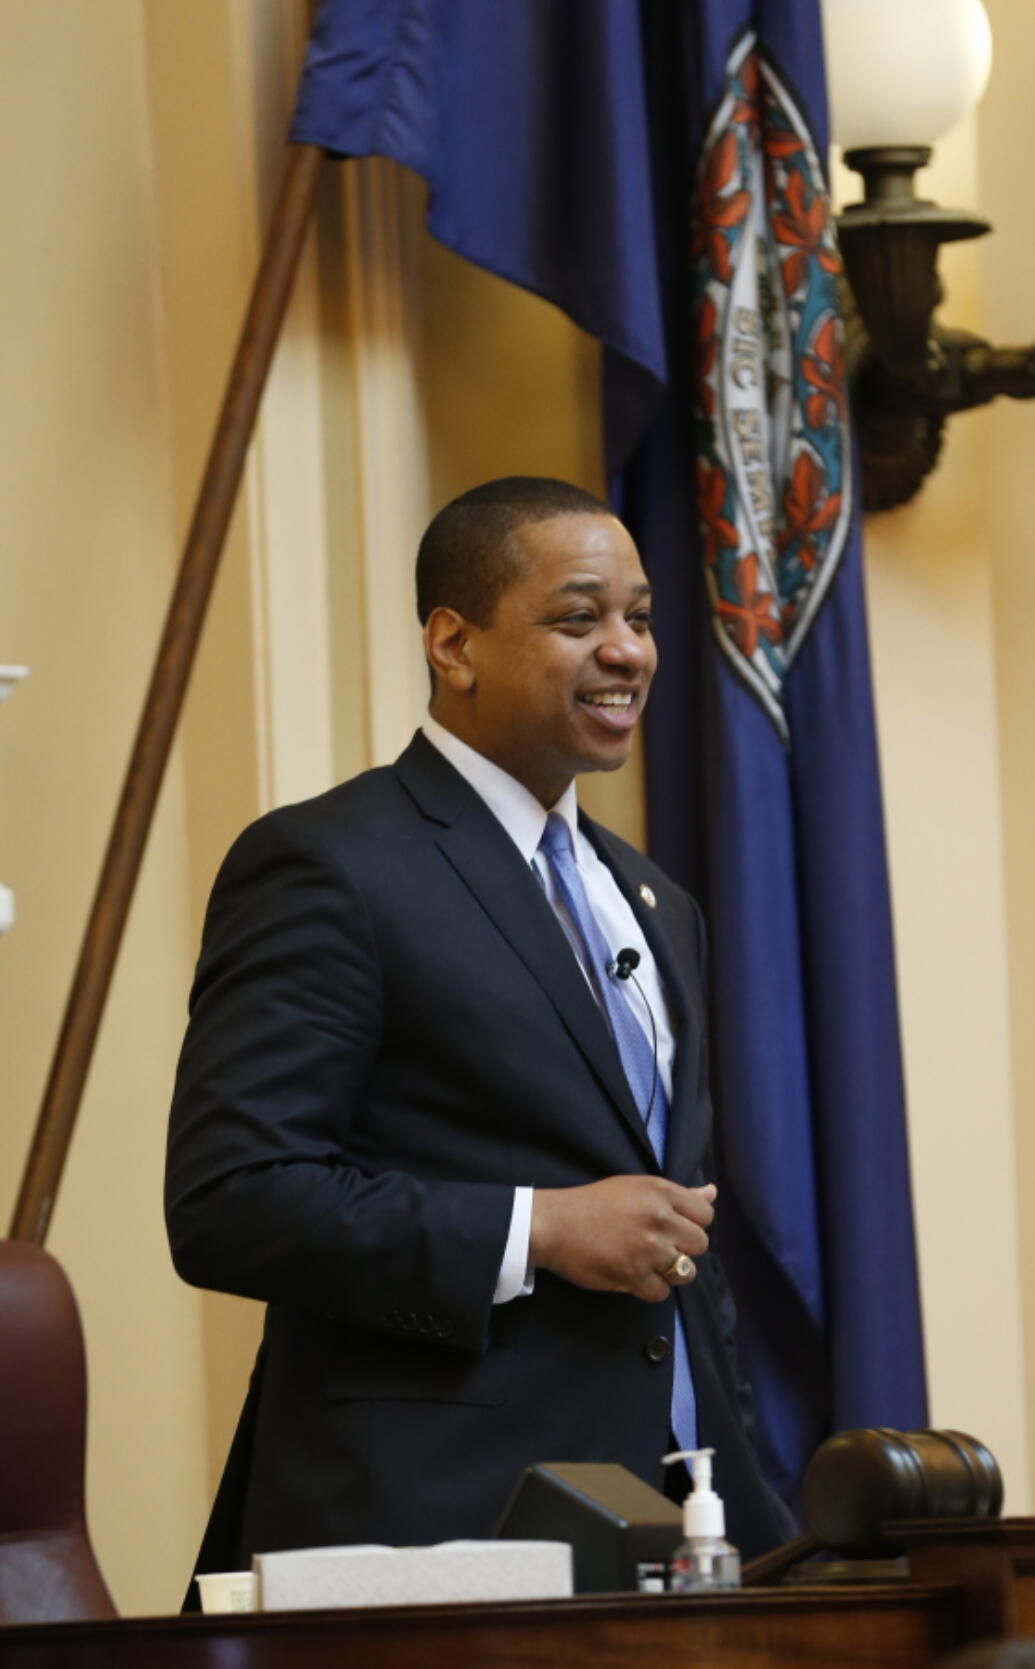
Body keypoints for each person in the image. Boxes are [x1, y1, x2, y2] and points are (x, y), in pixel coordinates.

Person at [165, 477, 793, 1577]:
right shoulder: (332, 865)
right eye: (577, 617)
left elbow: (673, 1234)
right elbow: (230, 1200)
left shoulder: (652, 901)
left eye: (639, 619)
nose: (626, 651)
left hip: (671, 1539)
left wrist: (746, 1503)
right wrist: (536, 1229)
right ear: (453, 644)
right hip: (430, 1532)